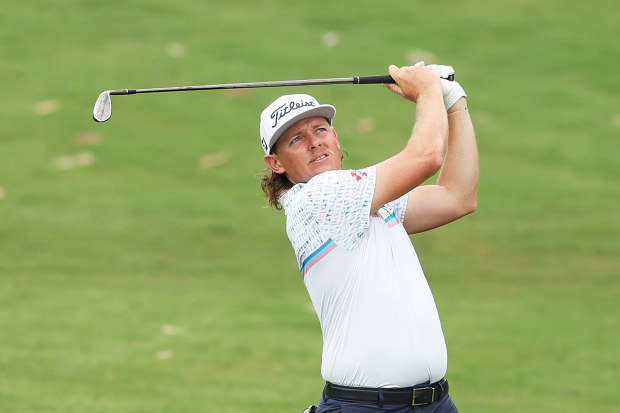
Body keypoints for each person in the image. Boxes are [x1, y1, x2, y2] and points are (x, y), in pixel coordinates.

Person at [259, 63, 478, 413]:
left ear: (336, 137)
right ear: (276, 163)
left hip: (435, 404)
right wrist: (427, 92)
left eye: (321, 129)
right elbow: (427, 157)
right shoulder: (318, 198)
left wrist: (454, 102)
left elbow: (458, 196)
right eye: (297, 139)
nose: (315, 142)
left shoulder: (363, 200)